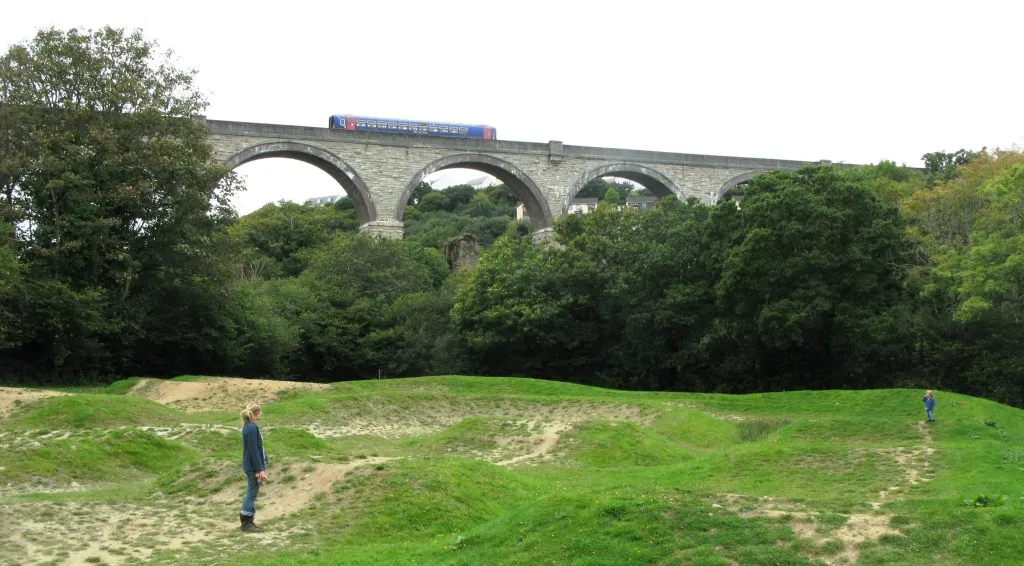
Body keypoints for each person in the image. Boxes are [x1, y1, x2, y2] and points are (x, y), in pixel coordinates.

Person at [240, 403, 269, 533]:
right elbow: (253, 450)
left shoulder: (247, 426)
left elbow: (256, 448)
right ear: (257, 413)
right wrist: (260, 469)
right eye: (260, 413)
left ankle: (249, 521)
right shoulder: (252, 428)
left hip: (251, 465)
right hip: (253, 466)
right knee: (252, 492)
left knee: (253, 492)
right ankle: (246, 522)